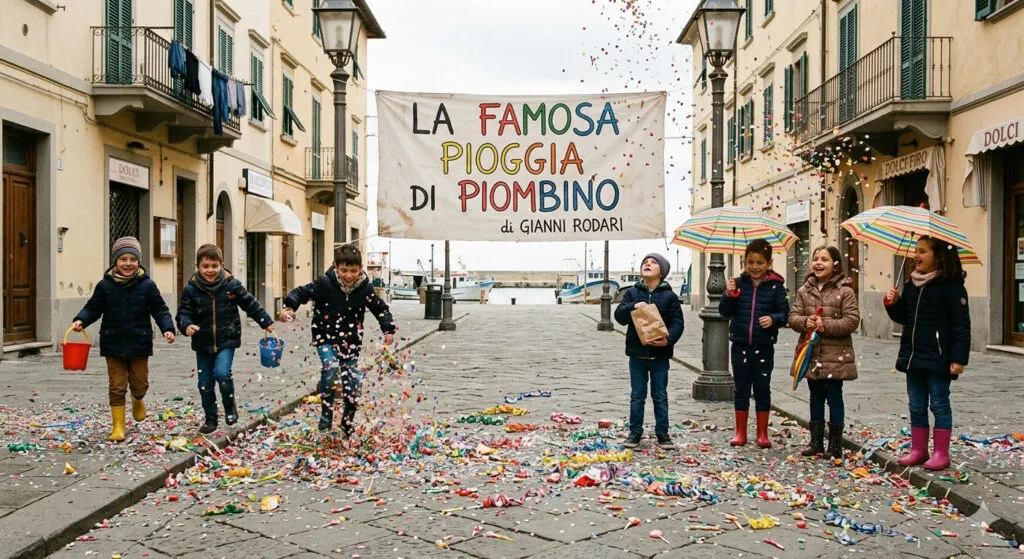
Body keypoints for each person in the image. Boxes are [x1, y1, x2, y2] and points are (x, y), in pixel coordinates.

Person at [280, 244, 396, 435]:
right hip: (325, 337)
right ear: (336, 267)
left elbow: (380, 308)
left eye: (353, 271)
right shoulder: (325, 283)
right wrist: (289, 307)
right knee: (331, 367)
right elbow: (302, 292)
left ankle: (347, 421)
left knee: (352, 384)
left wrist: (388, 328)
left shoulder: (365, 289)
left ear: (360, 269)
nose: (348, 275)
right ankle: (327, 411)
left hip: (351, 342)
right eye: (344, 270)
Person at [71, 237, 175, 441]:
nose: (128, 264)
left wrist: (167, 328)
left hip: (139, 342)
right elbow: (93, 308)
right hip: (113, 342)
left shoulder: (148, 286)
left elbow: (160, 310)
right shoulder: (105, 286)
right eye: (123, 259)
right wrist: (81, 320)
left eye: (132, 259)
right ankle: (118, 427)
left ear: (139, 262)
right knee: (117, 386)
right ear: (115, 262)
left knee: (140, 383)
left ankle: (138, 398)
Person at [884, 235, 970, 471]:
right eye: (916, 250)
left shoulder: (952, 287)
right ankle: (919, 449)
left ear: (939, 256)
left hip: (939, 358)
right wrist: (893, 304)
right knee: (916, 405)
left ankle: (941, 452)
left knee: (939, 404)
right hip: (913, 357)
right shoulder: (912, 285)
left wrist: (958, 358)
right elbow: (905, 318)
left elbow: (961, 326)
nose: (916, 255)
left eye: (923, 251)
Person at [176, 244, 274, 434]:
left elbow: (249, 303)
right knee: (204, 383)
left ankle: (230, 406)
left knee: (222, 374)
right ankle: (211, 419)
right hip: (202, 342)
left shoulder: (231, 285)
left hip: (226, 339)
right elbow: (183, 313)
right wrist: (186, 325)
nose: (210, 271)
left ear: (221, 264)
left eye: (214, 266)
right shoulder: (191, 289)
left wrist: (265, 321)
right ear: (198, 266)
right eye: (205, 266)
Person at [787, 246, 860, 459]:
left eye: (825, 259)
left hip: (836, 355)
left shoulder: (845, 291)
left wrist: (824, 325)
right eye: (815, 258)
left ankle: (835, 445)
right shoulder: (804, 291)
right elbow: (793, 317)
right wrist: (805, 322)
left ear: (835, 264)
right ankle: (816, 442)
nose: (819, 263)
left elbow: (852, 321)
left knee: (835, 397)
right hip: (811, 354)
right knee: (815, 397)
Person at [719, 239, 789, 448]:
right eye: (750, 262)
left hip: (764, 346)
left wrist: (773, 319)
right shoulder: (738, 284)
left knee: (762, 388)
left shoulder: (776, 287)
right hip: (740, 345)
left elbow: (785, 314)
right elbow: (725, 312)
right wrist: (729, 295)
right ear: (744, 262)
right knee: (741, 389)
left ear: (768, 263)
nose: (755, 267)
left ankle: (762, 433)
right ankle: (740, 432)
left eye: (760, 263)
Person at [614, 253, 685, 450]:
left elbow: (678, 323)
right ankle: (635, 432)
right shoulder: (632, 293)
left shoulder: (670, 296)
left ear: (661, 272)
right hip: (637, 354)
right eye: (645, 262)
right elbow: (619, 316)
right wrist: (633, 306)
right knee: (637, 395)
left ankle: (662, 432)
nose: (648, 264)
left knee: (660, 395)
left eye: (653, 263)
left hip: (660, 355)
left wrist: (668, 340)